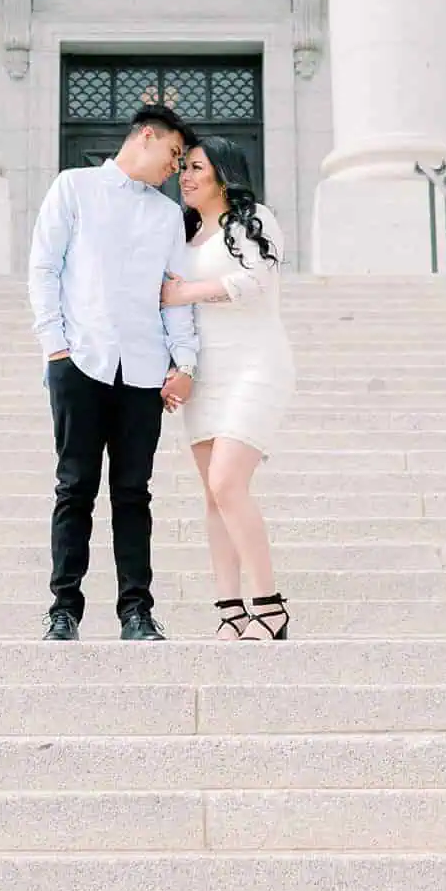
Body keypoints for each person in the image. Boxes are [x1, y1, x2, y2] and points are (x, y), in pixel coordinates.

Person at [28, 104, 198, 641]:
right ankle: (64, 610)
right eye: (173, 154)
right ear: (145, 137)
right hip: (81, 361)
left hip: (144, 372)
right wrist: (55, 345)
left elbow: (173, 295)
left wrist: (184, 361)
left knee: (133, 493)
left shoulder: (167, 216)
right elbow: (44, 265)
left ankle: (136, 611)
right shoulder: (74, 187)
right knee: (74, 487)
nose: (176, 167)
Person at [160, 134, 295, 640]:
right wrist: (178, 370)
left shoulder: (255, 219)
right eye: (183, 168)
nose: (185, 176)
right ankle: (231, 612)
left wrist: (183, 292)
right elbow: (174, 314)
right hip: (205, 374)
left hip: (256, 365)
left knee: (226, 483)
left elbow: (255, 282)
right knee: (212, 496)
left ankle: (271, 606)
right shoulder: (184, 235)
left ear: (222, 172)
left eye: (196, 167)